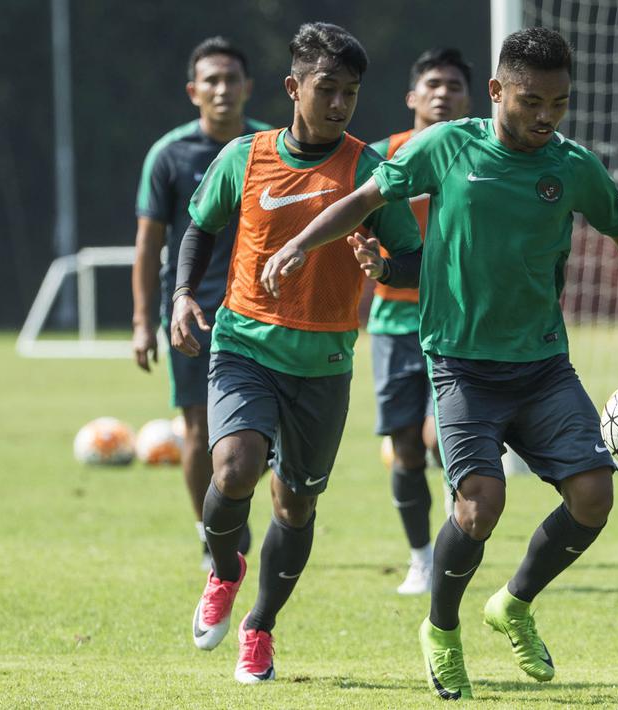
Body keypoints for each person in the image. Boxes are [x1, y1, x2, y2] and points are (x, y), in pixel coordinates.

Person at [262, 27, 618, 700]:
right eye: (530, 101)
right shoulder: (447, 146)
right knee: (481, 504)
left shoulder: (573, 167)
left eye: (559, 104)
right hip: (460, 367)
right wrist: (302, 245)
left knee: (595, 496)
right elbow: (365, 199)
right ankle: (442, 630)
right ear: (495, 92)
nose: (545, 117)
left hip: (542, 366)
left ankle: (513, 603)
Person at [170, 22, 422, 684]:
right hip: (243, 344)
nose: (339, 104)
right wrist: (180, 296)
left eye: (351, 93)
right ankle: (225, 571)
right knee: (233, 468)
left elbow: (412, 260)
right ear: (293, 87)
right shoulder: (246, 157)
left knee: (295, 506)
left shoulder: (370, 170)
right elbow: (200, 226)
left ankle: (260, 626)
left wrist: (381, 263)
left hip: (324, 365)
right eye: (326, 89)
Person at [132, 36, 270, 570]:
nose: (222, 89)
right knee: (197, 428)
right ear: (194, 91)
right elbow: (149, 245)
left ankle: (227, 504)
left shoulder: (270, 146)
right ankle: (211, 534)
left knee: (271, 438)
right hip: (195, 312)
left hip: (263, 311)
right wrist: (145, 322)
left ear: (248, 88)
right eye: (211, 80)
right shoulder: (169, 155)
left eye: (231, 79)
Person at [368, 48, 472, 596]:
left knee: (442, 441)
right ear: (412, 96)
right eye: (432, 83)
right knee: (407, 445)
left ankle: (459, 549)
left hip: (456, 322)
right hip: (392, 322)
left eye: (454, 85)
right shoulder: (384, 155)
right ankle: (421, 559)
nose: (442, 93)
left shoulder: (479, 157)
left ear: (470, 97)